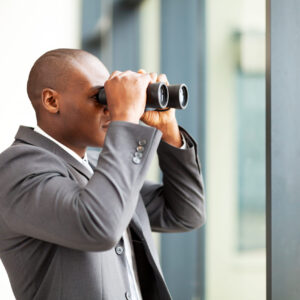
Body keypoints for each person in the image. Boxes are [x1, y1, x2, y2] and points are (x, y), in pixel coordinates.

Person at [0, 49, 205, 300]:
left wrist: (167, 130)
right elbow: (99, 225)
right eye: (101, 97)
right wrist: (126, 120)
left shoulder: (101, 166)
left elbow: (184, 213)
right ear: (52, 101)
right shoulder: (16, 167)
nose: (111, 109)